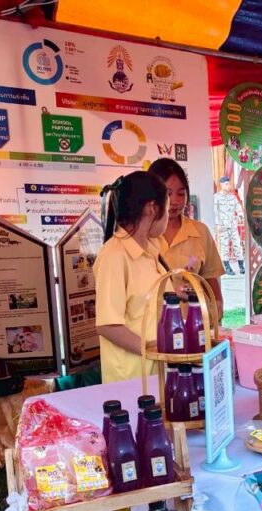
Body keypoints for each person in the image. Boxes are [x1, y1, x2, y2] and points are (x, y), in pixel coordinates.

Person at [93, 171, 170, 383]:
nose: (168, 216)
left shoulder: (152, 249)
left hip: (157, 372)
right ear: (152, 208)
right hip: (131, 377)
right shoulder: (114, 256)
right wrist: (151, 349)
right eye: (166, 208)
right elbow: (107, 325)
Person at [149, 157, 224, 319]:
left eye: (181, 194)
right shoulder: (144, 235)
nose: (175, 201)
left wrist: (216, 311)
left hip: (196, 325)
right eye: (168, 193)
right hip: (154, 327)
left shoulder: (200, 232)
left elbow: (211, 280)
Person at [213, 175, 246, 275]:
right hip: (223, 226)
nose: (229, 186)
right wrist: (217, 224)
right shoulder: (216, 197)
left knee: (237, 245)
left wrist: (240, 215)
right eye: (226, 184)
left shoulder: (232, 197)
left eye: (229, 184)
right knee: (225, 247)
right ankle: (227, 268)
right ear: (221, 185)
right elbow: (215, 212)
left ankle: (241, 266)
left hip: (233, 225)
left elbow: (238, 207)